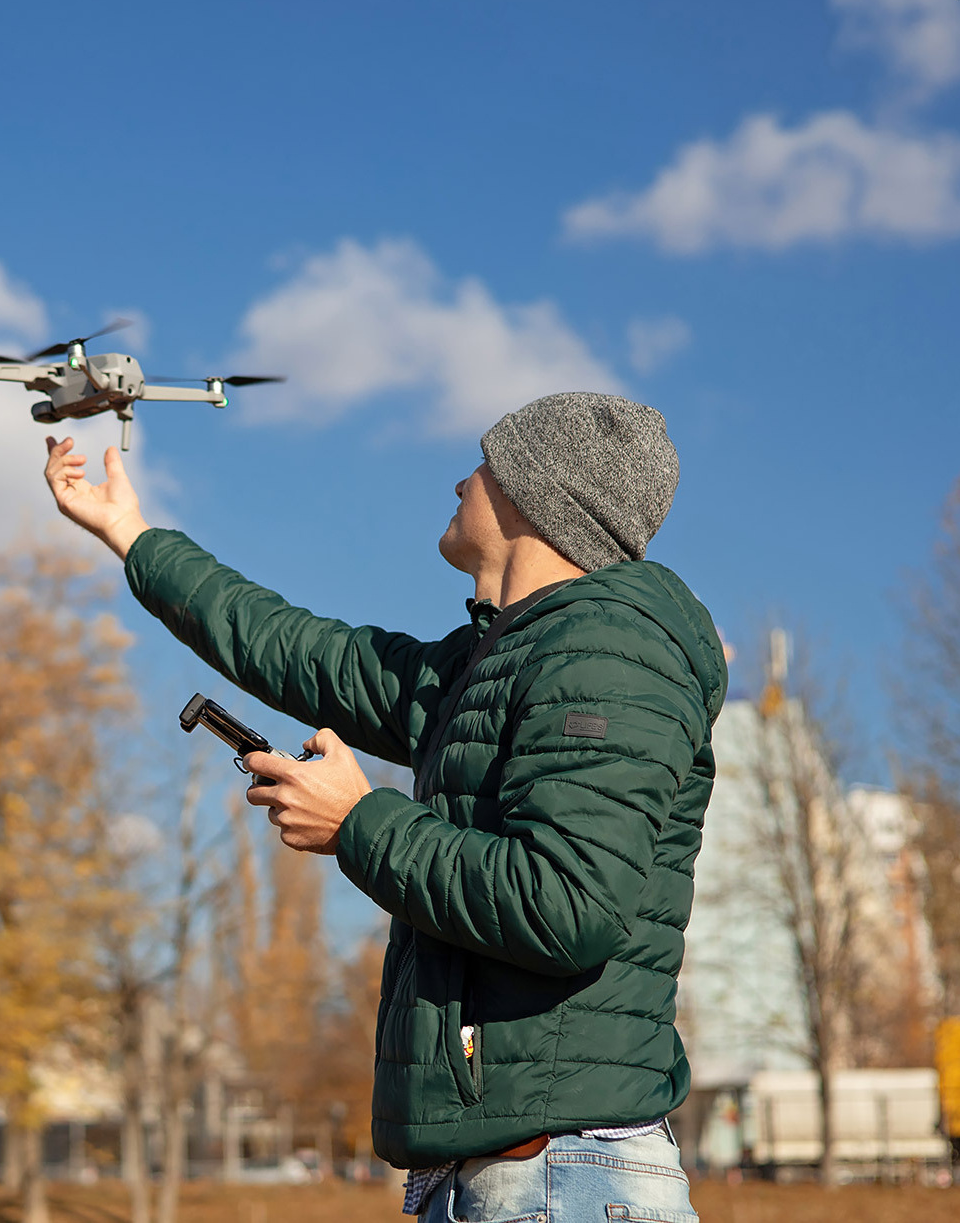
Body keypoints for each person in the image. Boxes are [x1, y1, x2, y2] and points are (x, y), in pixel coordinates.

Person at [44, 391, 726, 1223]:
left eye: (485, 462)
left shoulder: (609, 648)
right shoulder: (492, 660)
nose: (461, 480)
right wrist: (132, 536)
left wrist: (357, 823)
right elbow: (293, 647)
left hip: (565, 1179)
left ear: (535, 492)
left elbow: (569, 901)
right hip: (511, 1179)